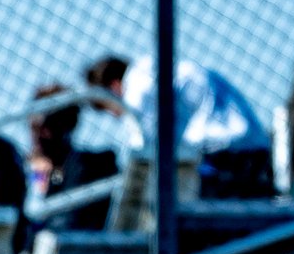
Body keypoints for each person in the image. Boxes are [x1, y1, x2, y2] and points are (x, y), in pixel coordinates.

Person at [85, 52, 273, 198]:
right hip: (252, 147)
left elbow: (146, 149)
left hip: (225, 157)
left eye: (108, 107)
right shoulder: (154, 70)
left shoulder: (137, 90)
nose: (114, 116)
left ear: (114, 86)